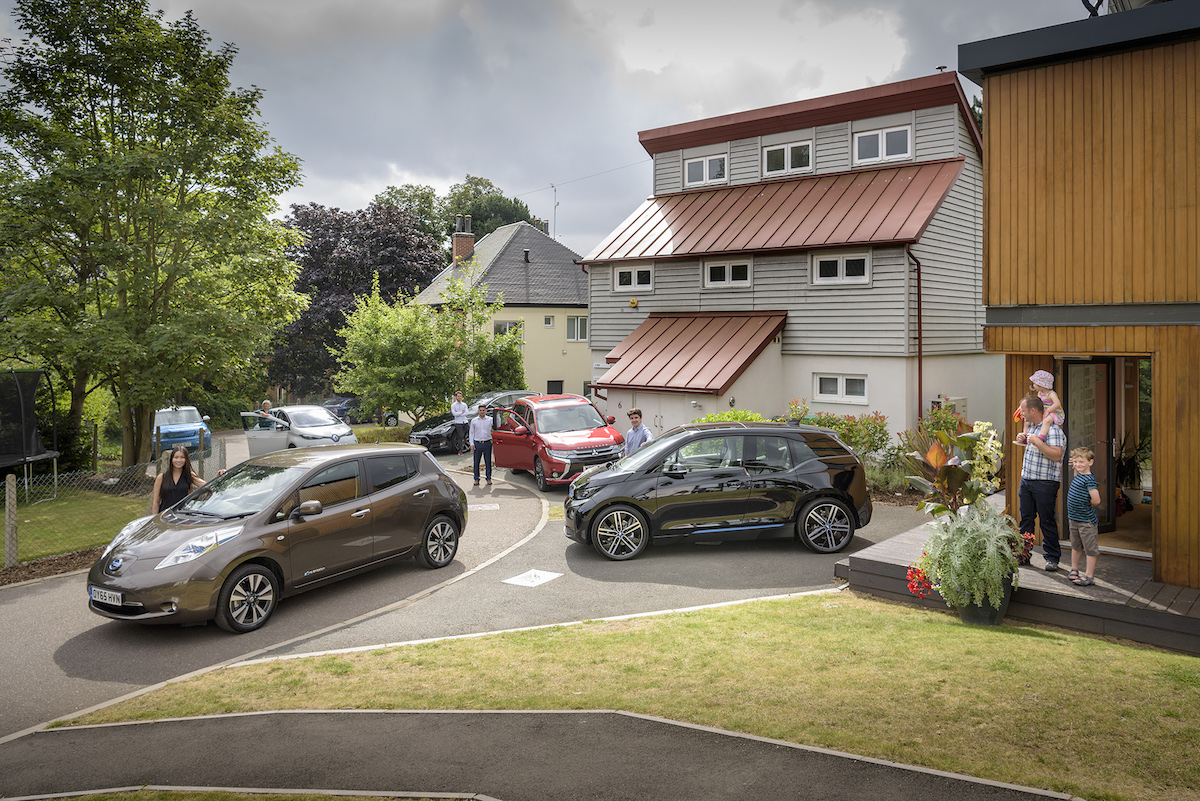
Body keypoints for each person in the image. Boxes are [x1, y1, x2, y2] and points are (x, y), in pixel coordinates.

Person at [1016, 394, 1066, 571]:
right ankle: (1023, 555)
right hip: (1027, 480)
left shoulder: (1053, 430)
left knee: (1047, 521)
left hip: (1045, 483)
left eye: (1023, 410)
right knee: (1026, 521)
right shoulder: (1035, 428)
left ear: (1033, 410)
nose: (1021, 413)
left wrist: (1037, 441)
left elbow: (1057, 455)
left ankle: (1052, 558)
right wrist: (1026, 440)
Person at [1066, 446, 1102, 587]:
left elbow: (1096, 500)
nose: (1078, 465)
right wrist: (1075, 465)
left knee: (1090, 549)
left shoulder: (1089, 480)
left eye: (1081, 462)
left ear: (1090, 462)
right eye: (1075, 462)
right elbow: (1077, 469)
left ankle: (1089, 575)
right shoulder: (1079, 475)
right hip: (1074, 519)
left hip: (1085, 521)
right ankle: (1074, 569)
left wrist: (1086, 504)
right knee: (1076, 546)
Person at [151, 445, 208, 514]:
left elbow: (208, 485)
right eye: (176, 457)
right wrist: (154, 521)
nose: (179, 460)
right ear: (171, 459)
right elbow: (156, 502)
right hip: (165, 516)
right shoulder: (161, 477)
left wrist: (220, 475)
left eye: (182, 457)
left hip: (182, 516)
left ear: (186, 459)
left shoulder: (189, 475)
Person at [1013, 370, 1064, 444]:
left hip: (1054, 412)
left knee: (1046, 421)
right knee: (1027, 420)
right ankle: (1025, 435)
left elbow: (1057, 404)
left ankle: (1040, 439)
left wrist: (1048, 411)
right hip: (1044, 411)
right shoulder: (1039, 393)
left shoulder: (1051, 394)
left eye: (1034, 383)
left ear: (1040, 385)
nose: (1033, 385)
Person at [469, 404, 493, 486]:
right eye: (480, 410)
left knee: (488, 461)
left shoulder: (490, 420)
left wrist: (498, 416)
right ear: (478, 411)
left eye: (483, 410)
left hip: (487, 443)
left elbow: (498, 425)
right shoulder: (474, 421)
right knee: (476, 462)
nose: (482, 412)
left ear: (486, 411)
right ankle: (476, 479)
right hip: (477, 443)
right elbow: (471, 433)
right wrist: (471, 444)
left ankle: (488, 478)